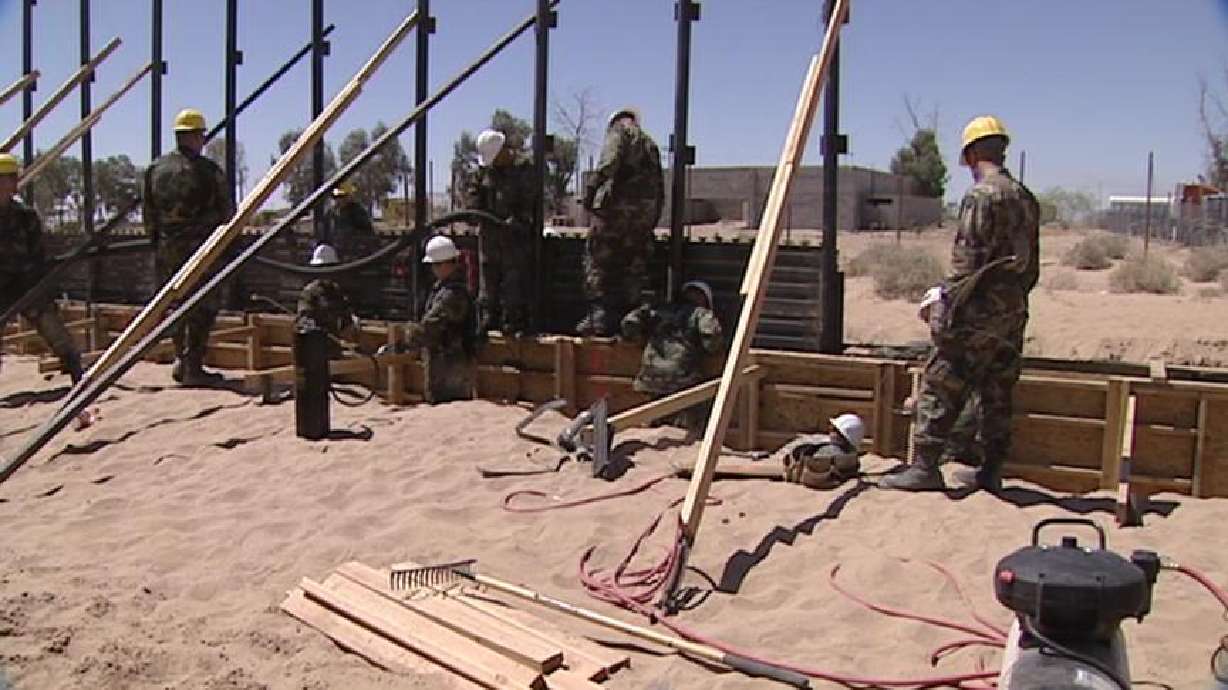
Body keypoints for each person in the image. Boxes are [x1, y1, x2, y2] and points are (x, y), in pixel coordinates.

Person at [881, 115, 1039, 492]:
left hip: (976, 310)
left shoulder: (981, 196)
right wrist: (1011, 302)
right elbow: (1031, 266)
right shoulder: (1025, 197)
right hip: (1011, 311)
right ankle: (991, 470)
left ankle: (924, 467)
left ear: (970, 155)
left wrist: (943, 304)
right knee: (997, 390)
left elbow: (966, 263)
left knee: (941, 380)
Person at [143, 108, 235, 386]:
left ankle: (181, 361)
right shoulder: (208, 171)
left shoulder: (155, 169)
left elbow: (149, 215)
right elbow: (227, 212)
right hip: (201, 251)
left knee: (175, 303)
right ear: (196, 136)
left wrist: (159, 244)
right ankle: (192, 366)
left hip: (167, 250)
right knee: (203, 305)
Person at [578, 107, 664, 336]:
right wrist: (650, 221)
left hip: (615, 214)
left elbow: (609, 163)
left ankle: (599, 318)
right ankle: (630, 320)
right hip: (641, 220)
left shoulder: (620, 131)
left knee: (596, 259)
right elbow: (660, 187)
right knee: (633, 265)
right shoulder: (651, 145)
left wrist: (589, 192)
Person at [0, 153, 84, 384]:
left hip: (25, 282)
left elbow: (38, 254)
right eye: (10, 178)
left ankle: (75, 370)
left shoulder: (25, 216)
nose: (14, 183)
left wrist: (41, 285)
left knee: (51, 324)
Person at [620, 280, 723, 432]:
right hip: (682, 378)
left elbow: (630, 322)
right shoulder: (700, 313)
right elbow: (712, 337)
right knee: (684, 428)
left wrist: (639, 340)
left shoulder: (659, 310)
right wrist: (712, 351)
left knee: (653, 420)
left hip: (651, 376)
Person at [388, 236, 476, 404]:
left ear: (447, 264)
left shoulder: (452, 295)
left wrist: (407, 337)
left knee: (448, 405)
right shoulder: (447, 289)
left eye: (435, 265)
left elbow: (431, 326)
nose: (433, 270)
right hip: (445, 361)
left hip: (449, 365)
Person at [467, 129, 537, 337]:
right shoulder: (484, 172)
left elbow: (530, 202)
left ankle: (513, 323)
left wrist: (517, 221)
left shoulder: (524, 168)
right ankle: (487, 322)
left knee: (514, 283)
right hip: (489, 239)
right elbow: (473, 196)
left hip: (515, 240)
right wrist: (476, 211)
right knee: (487, 284)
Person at [295, 244, 359, 357]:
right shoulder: (310, 293)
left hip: (333, 350)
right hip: (315, 352)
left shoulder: (336, 291)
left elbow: (345, 318)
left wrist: (352, 324)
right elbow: (304, 320)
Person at [778, 413, 864, 490]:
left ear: (843, 436)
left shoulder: (830, 452)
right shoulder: (851, 455)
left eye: (834, 429)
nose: (830, 430)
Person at [323, 182, 374, 258]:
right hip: (334, 251)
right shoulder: (330, 213)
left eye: (342, 196)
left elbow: (367, 232)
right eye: (336, 197)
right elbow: (325, 232)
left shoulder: (357, 211)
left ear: (349, 196)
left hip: (354, 252)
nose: (339, 199)